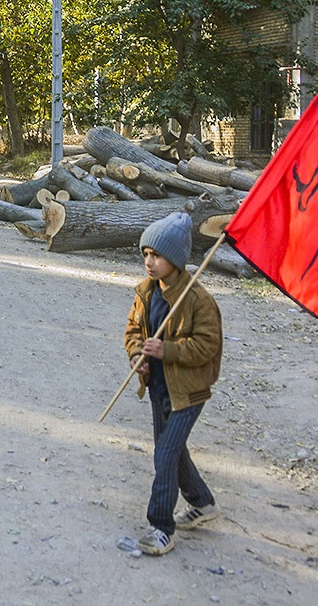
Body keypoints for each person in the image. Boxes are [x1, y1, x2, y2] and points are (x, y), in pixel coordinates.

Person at [124, 212, 222, 556]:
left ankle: (161, 527)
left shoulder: (197, 299)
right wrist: (138, 354)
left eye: (157, 256)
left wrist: (169, 350)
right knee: (174, 450)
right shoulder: (146, 292)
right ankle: (202, 502)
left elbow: (208, 345)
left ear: (176, 260)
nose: (149, 262)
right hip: (159, 387)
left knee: (164, 454)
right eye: (146, 254)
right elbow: (134, 331)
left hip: (189, 391)